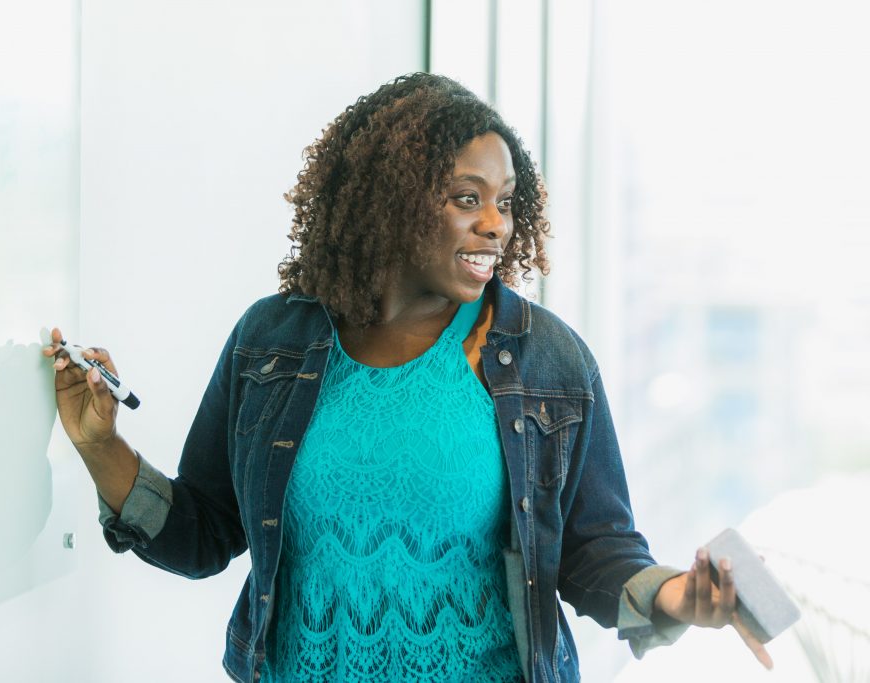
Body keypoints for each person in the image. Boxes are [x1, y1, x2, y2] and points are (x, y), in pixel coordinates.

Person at [43, 73, 772, 682]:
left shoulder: (545, 360)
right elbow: (205, 534)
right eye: (467, 198)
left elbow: (594, 551)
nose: (496, 224)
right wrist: (102, 446)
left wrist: (678, 595)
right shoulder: (272, 344)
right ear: (390, 200)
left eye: (505, 200)